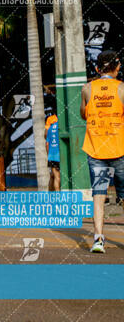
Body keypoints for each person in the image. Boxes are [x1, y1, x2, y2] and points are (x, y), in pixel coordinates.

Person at [80, 50, 124, 253]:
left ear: (98, 69)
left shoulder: (87, 88)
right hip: (119, 150)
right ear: (117, 67)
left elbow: (83, 114)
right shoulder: (122, 88)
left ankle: (98, 239)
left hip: (96, 150)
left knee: (99, 195)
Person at [45, 113, 60, 191]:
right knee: (58, 177)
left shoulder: (50, 128)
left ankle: (54, 197)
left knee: (54, 176)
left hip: (52, 155)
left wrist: (48, 155)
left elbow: (47, 143)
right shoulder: (60, 126)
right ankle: (59, 197)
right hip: (60, 155)